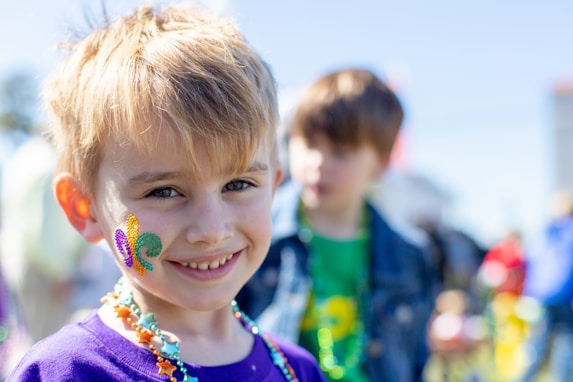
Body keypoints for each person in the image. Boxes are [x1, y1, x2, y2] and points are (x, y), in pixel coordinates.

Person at [7, 4, 326, 381]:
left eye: (238, 184)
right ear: (84, 208)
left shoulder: (297, 369)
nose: (211, 229)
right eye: (164, 192)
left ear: (273, 186)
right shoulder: (67, 371)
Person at [237, 68, 434, 382]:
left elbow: (414, 360)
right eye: (309, 143)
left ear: (381, 162)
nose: (318, 163)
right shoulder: (256, 229)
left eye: (340, 152)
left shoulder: (408, 253)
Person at [518, 189, 573, 382]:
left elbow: (530, 263)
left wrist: (528, 293)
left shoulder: (544, 233)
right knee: (564, 343)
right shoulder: (557, 233)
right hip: (564, 297)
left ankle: (524, 378)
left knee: (537, 343)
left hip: (541, 296)